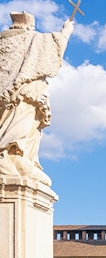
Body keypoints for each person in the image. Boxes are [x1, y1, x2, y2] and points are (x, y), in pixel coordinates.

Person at [0, 11, 74, 185]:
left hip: (6, 96)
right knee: (22, 124)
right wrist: (66, 30)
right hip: (24, 93)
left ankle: (15, 157)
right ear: (28, 26)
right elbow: (54, 44)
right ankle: (14, 156)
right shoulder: (31, 39)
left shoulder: (4, 43)